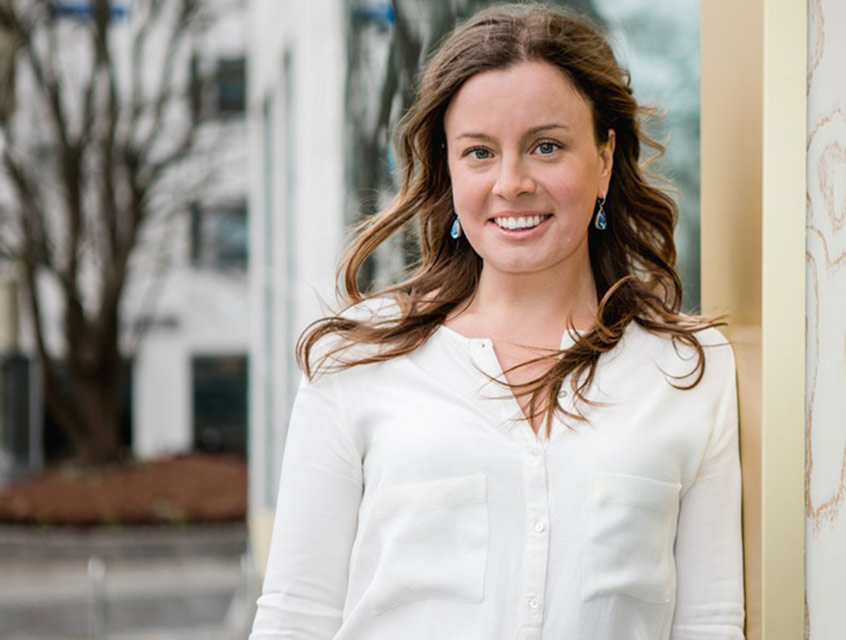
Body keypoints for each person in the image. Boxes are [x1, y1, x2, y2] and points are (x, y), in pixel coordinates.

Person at [248, 3, 745, 639]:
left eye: (546, 146)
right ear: (448, 170)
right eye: (480, 152)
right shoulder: (355, 360)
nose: (511, 183)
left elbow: (709, 625)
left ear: (604, 158)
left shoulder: (688, 369)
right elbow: (295, 620)